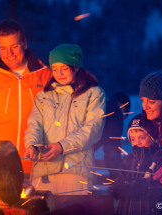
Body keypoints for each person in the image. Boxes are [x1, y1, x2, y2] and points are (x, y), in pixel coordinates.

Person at [0, 20, 51, 174]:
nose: (9, 54)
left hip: (35, 167)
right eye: (3, 48)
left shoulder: (45, 76)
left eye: (14, 47)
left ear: (24, 44)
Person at [24, 44, 106, 195]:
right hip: (44, 173)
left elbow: (93, 129)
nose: (59, 73)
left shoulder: (93, 94)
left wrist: (62, 146)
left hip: (76, 173)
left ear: (75, 67)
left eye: (64, 68)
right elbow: (35, 124)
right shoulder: (44, 96)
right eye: (54, 69)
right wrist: (32, 145)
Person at [111, 114, 162, 215]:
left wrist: (140, 187)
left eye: (142, 137)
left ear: (152, 137)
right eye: (133, 139)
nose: (137, 142)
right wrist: (117, 189)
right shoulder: (128, 159)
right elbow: (119, 180)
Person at [94, 91, 130, 180]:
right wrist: (118, 177)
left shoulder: (102, 104)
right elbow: (112, 149)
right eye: (124, 114)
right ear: (123, 106)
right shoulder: (115, 112)